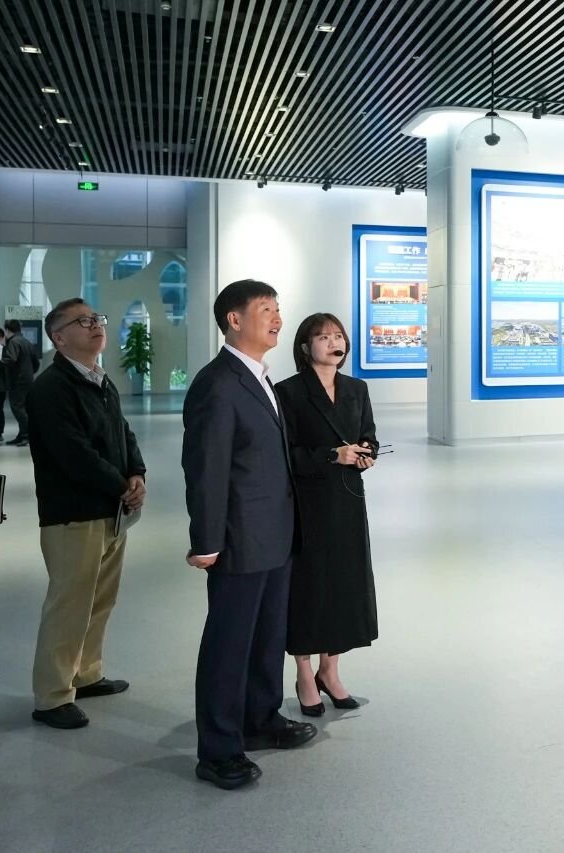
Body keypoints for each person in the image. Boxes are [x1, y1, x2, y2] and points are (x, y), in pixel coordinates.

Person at [182, 280, 316, 791]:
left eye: (278, 309)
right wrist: (206, 540)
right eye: (265, 309)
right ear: (234, 320)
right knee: (229, 643)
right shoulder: (218, 383)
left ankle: (260, 718)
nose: (277, 318)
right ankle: (218, 749)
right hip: (240, 536)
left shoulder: (259, 377)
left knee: (268, 635)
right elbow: (206, 467)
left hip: (275, 532)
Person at [25, 298, 146, 730]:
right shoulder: (51, 388)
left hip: (110, 509)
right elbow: (72, 453)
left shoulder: (99, 379)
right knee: (70, 604)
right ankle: (52, 696)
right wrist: (121, 485)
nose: (96, 325)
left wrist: (137, 473)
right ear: (58, 338)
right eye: (83, 321)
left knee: (99, 599)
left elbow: (123, 432)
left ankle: (86, 673)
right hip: (73, 514)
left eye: (97, 318)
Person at [275, 314, 378, 716]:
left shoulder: (356, 388)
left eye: (338, 336)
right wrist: (332, 455)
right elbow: (286, 453)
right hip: (308, 501)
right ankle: (304, 673)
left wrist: (366, 452)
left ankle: (329, 670)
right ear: (305, 347)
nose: (334, 342)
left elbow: (368, 433)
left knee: (344, 584)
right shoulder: (288, 392)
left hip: (348, 497)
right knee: (309, 586)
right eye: (323, 337)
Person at [0, 319, 39, 446]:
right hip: (27, 379)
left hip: (18, 380)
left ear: (7, 330)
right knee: (24, 408)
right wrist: (29, 373)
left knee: (18, 408)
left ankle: (26, 435)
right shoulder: (26, 342)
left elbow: (10, 360)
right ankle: (22, 435)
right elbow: (36, 362)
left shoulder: (13, 342)